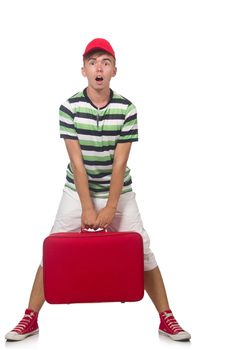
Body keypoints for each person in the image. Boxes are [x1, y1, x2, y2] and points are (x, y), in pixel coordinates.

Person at [5, 38, 191, 342]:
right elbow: (77, 164)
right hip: (77, 191)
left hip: (119, 190)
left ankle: (166, 318)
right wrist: (89, 206)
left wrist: (110, 207)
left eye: (105, 62)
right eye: (92, 62)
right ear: (83, 70)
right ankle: (30, 317)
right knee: (51, 249)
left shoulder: (127, 109)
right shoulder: (69, 107)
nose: (99, 67)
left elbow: (120, 165)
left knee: (143, 251)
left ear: (114, 70)